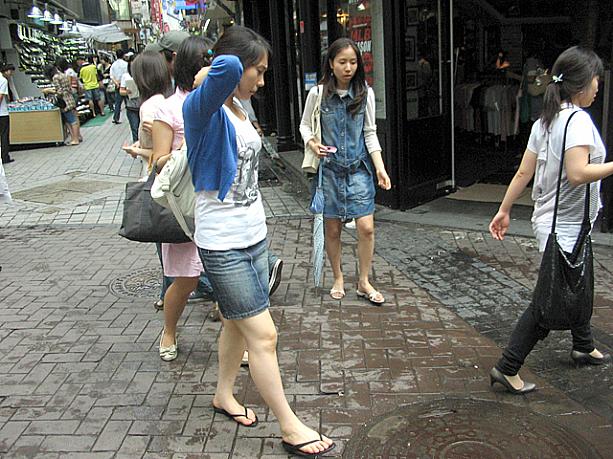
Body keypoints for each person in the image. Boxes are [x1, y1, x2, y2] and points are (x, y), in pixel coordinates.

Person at [184, 25, 334, 458]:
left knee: (236, 322)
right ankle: (290, 426)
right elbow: (227, 63)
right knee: (264, 336)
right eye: (260, 71)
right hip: (222, 243)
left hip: (254, 237)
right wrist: (209, 71)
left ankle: (224, 395)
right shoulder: (202, 107)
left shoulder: (238, 106)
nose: (263, 81)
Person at [488, 46, 612, 395]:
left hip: (559, 222)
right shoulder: (578, 121)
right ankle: (507, 366)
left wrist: (505, 208)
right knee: (548, 302)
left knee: (580, 280)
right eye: (596, 79)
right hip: (565, 226)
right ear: (582, 83)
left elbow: (524, 171)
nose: (598, 85)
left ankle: (583, 344)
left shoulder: (547, 119)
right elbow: (578, 173)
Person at [299, 37, 391, 304]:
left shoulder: (366, 94)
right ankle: (338, 277)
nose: (348, 67)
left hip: (359, 170)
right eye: (342, 62)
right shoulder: (317, 94)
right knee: (333, 230)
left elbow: (370, 134)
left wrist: (380, 169)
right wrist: (312, 143)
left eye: (353, 62)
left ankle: (363, 281)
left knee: (366, 227)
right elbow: (305, 125)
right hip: (329, 172)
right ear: (331, 63)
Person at [150, 36, 215, 361]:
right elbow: (158, 159)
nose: (211, 66)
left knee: (228, 278)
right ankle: (169, 331)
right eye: (206, 60)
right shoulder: (168, 107)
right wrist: (187, 152)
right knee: (186, 281)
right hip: (186, 208)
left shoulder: (221, 101)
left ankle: (240, 336)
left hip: (218, 203)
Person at [43, 64, 81, 146]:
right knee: (72, 119)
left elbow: (59, 91)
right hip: (70, 98)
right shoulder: (63, 75)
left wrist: (49, 90)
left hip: (64, 101)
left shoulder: (55, 78)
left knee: (71, 120)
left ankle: (75, 139)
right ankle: (76, 137)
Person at [119, 54, 140, 142]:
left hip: (143, 105)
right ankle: (136, 146)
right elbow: (121, 91)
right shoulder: (126, 76)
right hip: (131, 106)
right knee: (134, 129)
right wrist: (127, 92)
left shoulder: (145, 74)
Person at [110, 50, 130, 124]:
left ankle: (116, 118)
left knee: (118, 103)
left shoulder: (113, 65)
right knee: (128, 102)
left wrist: (116, 83)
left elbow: (111, 76)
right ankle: (130, 117)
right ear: (123, 55)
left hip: (118, 85)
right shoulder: (126, 64)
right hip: (126, 84)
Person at [0, 63, 14, 164]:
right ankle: (5, 157)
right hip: (2, 113)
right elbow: (1, 96)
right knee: (4, 135)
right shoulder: (3, 80)